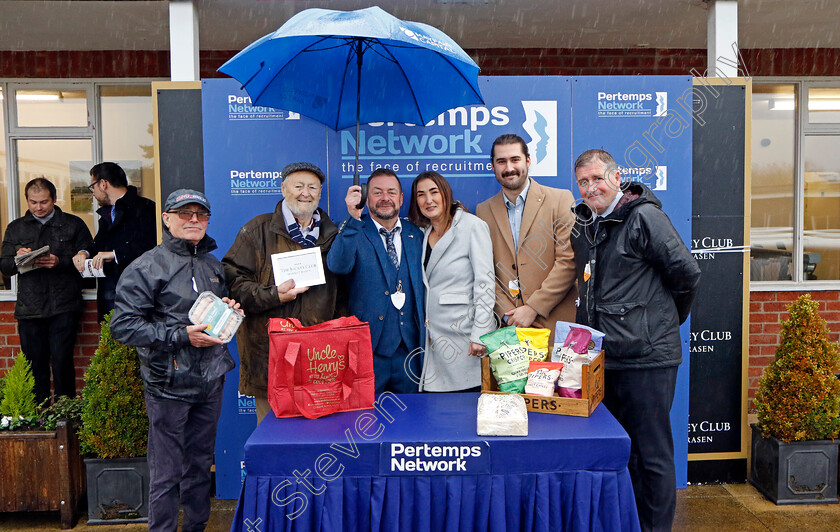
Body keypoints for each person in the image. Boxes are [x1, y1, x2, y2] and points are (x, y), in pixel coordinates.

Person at [571, 149, 701, 532]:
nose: (591, 187)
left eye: (597, 178)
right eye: (583, 182)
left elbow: (687, 274)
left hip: (647, 359)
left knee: (652, 457)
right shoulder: (586, 225)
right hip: (606, 360)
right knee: (621, 453)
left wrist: (658, 323)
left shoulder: (644, 216)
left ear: (617, 177)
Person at [111, 189, 241, 532]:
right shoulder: (146, 266)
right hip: (167, 385)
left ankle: (196, 527)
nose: (194, 219)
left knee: (199, 468)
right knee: (166, 474)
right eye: (185, 213)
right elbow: (123, 326)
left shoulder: (214, 265)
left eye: (201, 213)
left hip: (211, 380)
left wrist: (229, 313)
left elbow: (210, 315)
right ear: (167, 219)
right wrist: (181, 335)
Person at [223, 162, 345, 423]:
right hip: (269, 358)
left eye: (313, 187)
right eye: (298, 186)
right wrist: (274, 294)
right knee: (272, 443)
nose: (305, 193)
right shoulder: (257, 230)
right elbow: (233, 285)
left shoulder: (335, 235)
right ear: (283, 189)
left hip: (318, 359)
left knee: (318, 438)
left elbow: (343, 297)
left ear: (320, 193)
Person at [327, 168, 424, 394]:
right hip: (368, 349)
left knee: (410, 419)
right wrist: (352, 218)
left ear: (401, 198)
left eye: (391, 192)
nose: (385, 198)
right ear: (366, 197)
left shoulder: (416, 234)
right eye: (377, 192)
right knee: (367, 418)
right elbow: (337, 266)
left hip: (410, 352)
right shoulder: (354, 230)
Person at [0, 178, 93, 404]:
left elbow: (88, 256)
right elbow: (4, 267)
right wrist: (17, 258)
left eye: (43, 202)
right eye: (33, 202)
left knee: (62, 363)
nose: (38, 207)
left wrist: (59, 262)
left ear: (54, 199)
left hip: (64, 304)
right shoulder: (16, 227)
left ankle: (65, 415)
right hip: (30, 307)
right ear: (27, 200)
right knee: (34, 366)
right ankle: (38, 417)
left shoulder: (73, 224)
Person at [476, 133, 577, 331]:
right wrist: (509, 315)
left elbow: (568, 262)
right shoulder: (483, 211)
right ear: (493, 166)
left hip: (556, 326)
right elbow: (484, 272)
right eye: (501, 161)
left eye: (515, 160)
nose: (509, 168)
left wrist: (533, 308)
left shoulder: (560, 200)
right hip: (509, 331)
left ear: (528, 160)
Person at [408, 171, 494, 392]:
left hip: (464, 336)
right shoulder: (421, 232)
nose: (428, 200)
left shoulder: (472, 226)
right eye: (421, 194)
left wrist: (480, 334)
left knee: (463, 409)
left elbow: (485, 283)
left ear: (445, 193)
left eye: (434, 192)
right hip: (431, 339)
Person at [72, 162, 156, 323]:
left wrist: (115, 254)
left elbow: (151, 245)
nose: (93, 195)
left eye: (93, 188)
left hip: (139, 293)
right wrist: (84, 253)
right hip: (110, 293)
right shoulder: (108, 213)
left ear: (103, 184)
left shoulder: (146, 208)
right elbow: (98, 244)